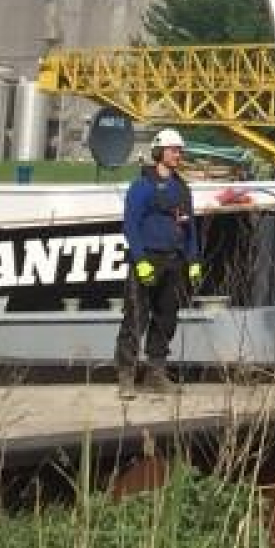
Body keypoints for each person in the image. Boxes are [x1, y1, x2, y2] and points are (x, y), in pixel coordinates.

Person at [116, 127, 202, 397]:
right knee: (136, 318)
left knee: (166, 319)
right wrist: (140, 260)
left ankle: (156, 373)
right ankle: (127, 376)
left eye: (180, 150)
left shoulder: (181, 188)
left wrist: (193, 259)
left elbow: (190, 227)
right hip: (148, 260)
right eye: (173, 149)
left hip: (174, 262)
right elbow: (131, 225)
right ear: (159, 152)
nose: (178, 154)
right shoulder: (141, 187)